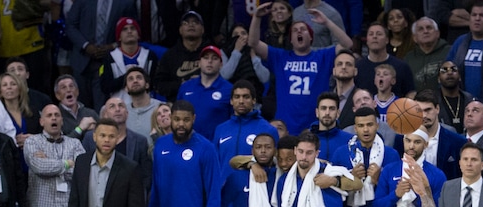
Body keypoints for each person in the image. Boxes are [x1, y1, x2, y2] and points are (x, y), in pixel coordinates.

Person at [249, 4, 353, 136]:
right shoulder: (280, 57)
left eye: (303, 29)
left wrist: (327, 22)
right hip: (285, 126)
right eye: (295, 30)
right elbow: (253, 43)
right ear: (291, 39)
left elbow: (347, 45)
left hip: (315, 125)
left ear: (311, 37)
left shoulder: (322, 56)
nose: (299, 31)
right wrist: (257, 18)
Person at [65, 0, 137, 109]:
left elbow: (131, 30)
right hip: (82, 61)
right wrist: (86, 46)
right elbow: (70, 26)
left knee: (102, 109)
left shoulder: (126, 2)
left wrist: (112, 46)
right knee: (79, 107)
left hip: (107, 62)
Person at [177, 46, 233, 141]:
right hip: (187, 144)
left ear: (221, 64)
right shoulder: (186, 87)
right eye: (206, 58)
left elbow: (234, 120)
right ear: (199, 62)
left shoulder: (229, 89)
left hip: (216, 145)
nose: (210, 61)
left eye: (214, 58)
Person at [152, 10, 207, 101]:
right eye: (186, 23)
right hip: (178, 106)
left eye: (196, 22)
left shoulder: (210, 53)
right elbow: (159, 85)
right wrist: (181, 85)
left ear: (203, 30)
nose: (191, 25)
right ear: (180, 30)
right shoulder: (170, 56)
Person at [355, 22, 415, 99]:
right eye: (371, 34)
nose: (375, 37)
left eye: (379, 34)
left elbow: (410, 94)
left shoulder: (401, 67)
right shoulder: (358, 67)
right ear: (367, 40)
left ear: (387, 40)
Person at [404, 17, 450, 95]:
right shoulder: (408, 58)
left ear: (437, 33)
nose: (425, 31)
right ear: (414, 38)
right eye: (420, 29)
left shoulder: (450, 51)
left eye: (429, 28)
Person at [54, 74, 98, 140]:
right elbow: (60, 145)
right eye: (64, 87)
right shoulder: (55, 117)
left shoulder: (91, 113)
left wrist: (96, 129)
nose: (68, 90)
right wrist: (80, 129)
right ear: (58, 95)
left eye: (71, 86)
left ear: (77, 91)